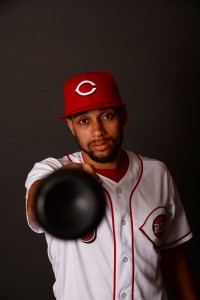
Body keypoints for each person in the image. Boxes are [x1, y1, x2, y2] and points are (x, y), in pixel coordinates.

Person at [25, 70, 198, 300]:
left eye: (107, 116)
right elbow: (35, 206)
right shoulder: (50, 170)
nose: (98, 131)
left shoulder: (157, 173)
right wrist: (68, 178)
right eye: (84, 121)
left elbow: (172, 255)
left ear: (123, 115)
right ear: (71, 126)